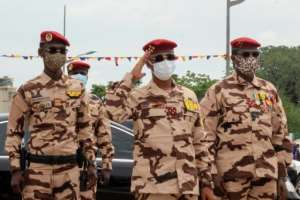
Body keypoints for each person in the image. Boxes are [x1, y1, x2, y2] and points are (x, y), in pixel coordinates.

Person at [105, 39, 215, 200]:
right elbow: (111, 112)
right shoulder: (138, 96)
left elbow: (199, 142)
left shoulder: (188, 95)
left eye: (170, 57)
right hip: (153, 186)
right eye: (158, 58)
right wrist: (131, 78)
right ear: (149, 64)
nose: (166, 62)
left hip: (188, 185)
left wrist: (206, 183)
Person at [5, 31, 97, 200]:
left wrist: (91, 163)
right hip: (38, 171)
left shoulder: (77, 88)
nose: (58, 55)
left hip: (69, 170)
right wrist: (15, 169)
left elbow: (85, 129)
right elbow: (14, 132)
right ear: (41, 53)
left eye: (62, 51)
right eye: (52, 50)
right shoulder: (28, 89)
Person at [200, 37, 292, 200]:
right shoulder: (218, 91)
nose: (251, 58)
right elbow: (206, 136)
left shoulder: (269, 90)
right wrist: (211, 174)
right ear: (234, 58)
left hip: (266, 174)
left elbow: (280, 133)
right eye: (245, 54)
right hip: (230, 176)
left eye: (255, 54)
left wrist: (282, 173)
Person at [67, 60, 114, 200]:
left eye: (83, 73)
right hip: (59, 165)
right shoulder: (59, 98)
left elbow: (104, 136)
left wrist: (106, 165)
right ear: (68, 75)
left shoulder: (96, 102)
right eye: (75, 73)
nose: (79, 76)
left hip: (86, 167)